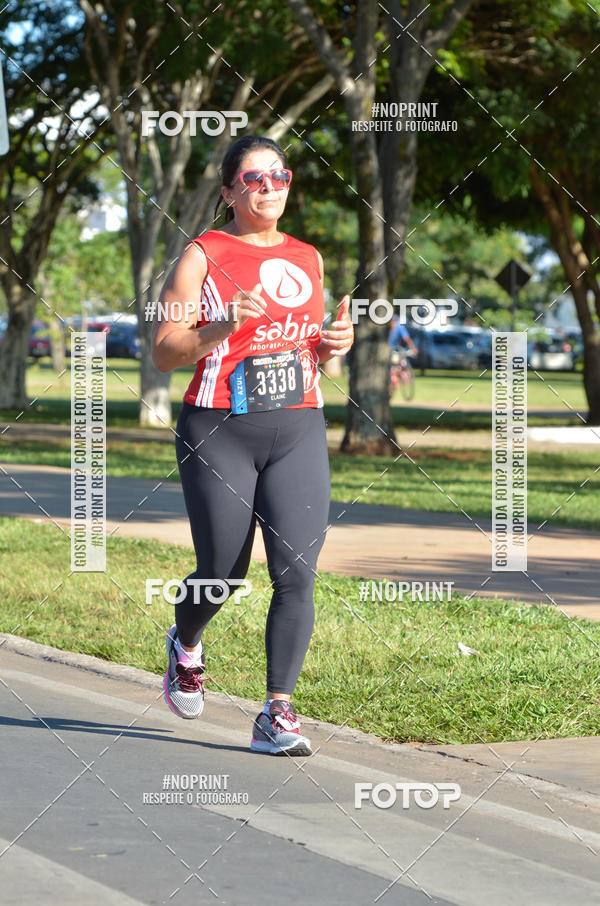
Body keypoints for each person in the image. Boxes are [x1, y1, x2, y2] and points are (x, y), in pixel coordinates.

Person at [152, 135, 354, 756]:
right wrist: (224, 324)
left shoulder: (308, 257)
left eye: (280, 176)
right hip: (219, 429)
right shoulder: (202, 254)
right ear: (229, 192)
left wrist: (331, 347)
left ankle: (277, 712)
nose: (270, 187)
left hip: (298, 426)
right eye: (254, 178)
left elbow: (302, 348)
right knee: (223, 573)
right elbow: (164, 352)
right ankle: (186, 644)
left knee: (296, 573)